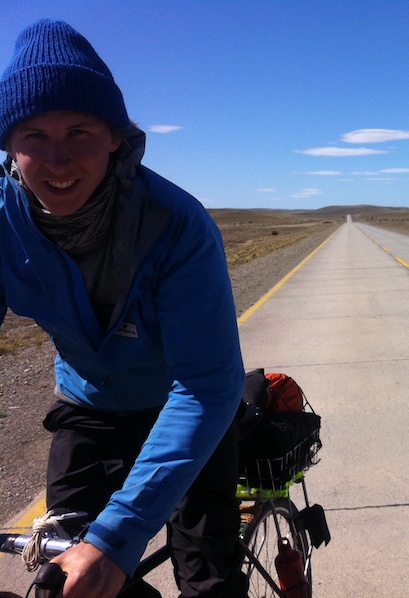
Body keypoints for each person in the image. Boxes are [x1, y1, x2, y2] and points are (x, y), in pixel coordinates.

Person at [0, 19, 247, 598]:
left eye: (79, 131)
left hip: (184, 407)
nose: (57, 160)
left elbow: (206, 385)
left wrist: (118, 535)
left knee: (208, 580)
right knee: (65, 582)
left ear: (115, 136)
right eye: (33, 135)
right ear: (8, 144)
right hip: (89, 406)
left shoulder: (177, 226)